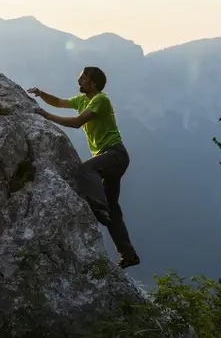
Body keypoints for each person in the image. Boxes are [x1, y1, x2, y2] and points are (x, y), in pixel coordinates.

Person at [27, 66, 140, 269]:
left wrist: (46, 116)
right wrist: (41, 94)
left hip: (115, 155)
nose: (78, 82)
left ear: (92, 82)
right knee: (114, 209)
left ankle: (99, 207)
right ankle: (129, 255)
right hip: (109, 158)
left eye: (82, 79)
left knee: (86, 170)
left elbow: (78, 122)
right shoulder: (82, 100)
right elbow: (60, 102)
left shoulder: (101, 100)